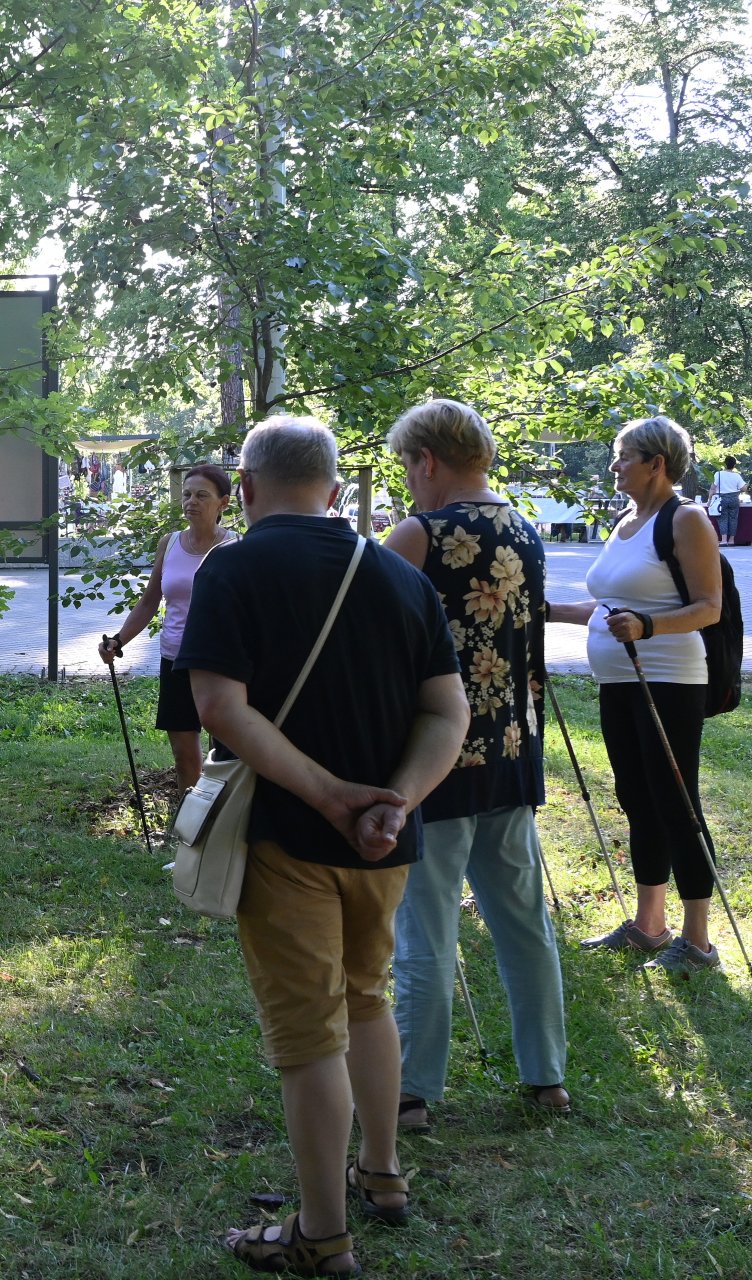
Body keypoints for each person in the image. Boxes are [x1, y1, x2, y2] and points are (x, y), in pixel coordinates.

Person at [175, 416, 466, 1277]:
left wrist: (331, 797)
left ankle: (322, 1234)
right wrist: (394, 801)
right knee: (368, 997)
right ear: (336, 491)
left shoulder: (232, 566)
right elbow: (447, 712)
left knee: (308, 1038)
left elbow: (221, 709)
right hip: (388, 839)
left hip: (287, 835)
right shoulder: (399, 575)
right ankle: (383, 1173)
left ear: (249, 488)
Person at [380, 400, 569, 1128]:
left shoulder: (420, 534)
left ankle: (413, 1090)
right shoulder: (526, 529)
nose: (409, 481)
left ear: (428, 459)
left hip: (435, 761)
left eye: (408, 466)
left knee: (425, 931)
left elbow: (374, 638)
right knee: (524, 924)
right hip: (513, 757)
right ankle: (546, 1076)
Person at [550, 415, 724, 975]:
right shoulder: (626, 521)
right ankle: (650, 926)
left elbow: (708, 607)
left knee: (676, 801)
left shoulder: (686, 519)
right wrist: (542, 612)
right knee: (635, 797)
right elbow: (605, 605)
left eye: (623, 455)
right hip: (618, 680)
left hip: (668, 681)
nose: (613, 465)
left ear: (657, 463)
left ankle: (698, 941)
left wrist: (647, 627)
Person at [98, 464, 239, 798]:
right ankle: (190, 828)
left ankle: (227, 827)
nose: (191, 501)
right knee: (184, 755)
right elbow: (149, 602)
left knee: (228, 754)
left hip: (223, 665)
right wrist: (118, 641)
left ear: (224, 503)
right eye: (187, 494)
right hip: (175, 659)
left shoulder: (238, 548)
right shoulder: (170, 543)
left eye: (202, 495)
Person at [710, 454, 743, 546]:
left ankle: (724, 540)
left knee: (722, 518)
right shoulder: (737, 476)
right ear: (734, 465)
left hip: (722, 498)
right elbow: (744, 488)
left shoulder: (718, 474)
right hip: (734, 498)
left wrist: (709, 500)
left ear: (724, 464)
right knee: (733, 519)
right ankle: (731, 540)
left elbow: (713, 488)